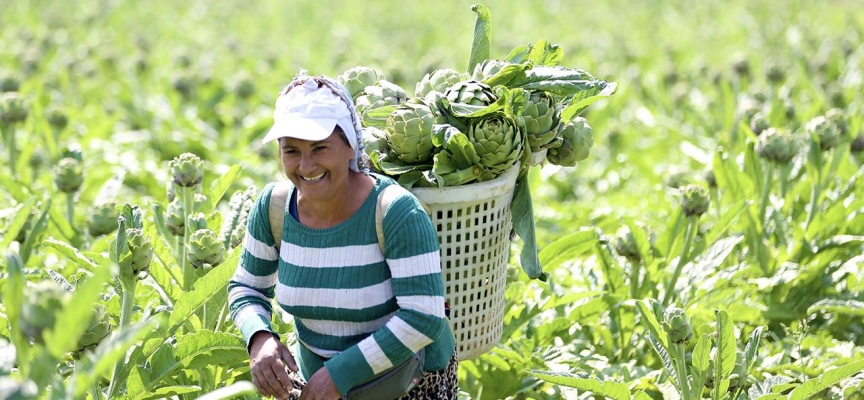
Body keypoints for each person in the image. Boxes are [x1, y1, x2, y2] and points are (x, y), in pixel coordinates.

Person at [228, 71, 458, 400]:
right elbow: (246, 287)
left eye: (319, 148)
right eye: (291, 150)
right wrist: (260, 338)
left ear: (349, 146)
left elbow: (424, 317)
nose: (306, 166)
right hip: (317, 380)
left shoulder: (395, 212)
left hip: (407, 381)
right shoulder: (274, 208)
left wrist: (339, 375)